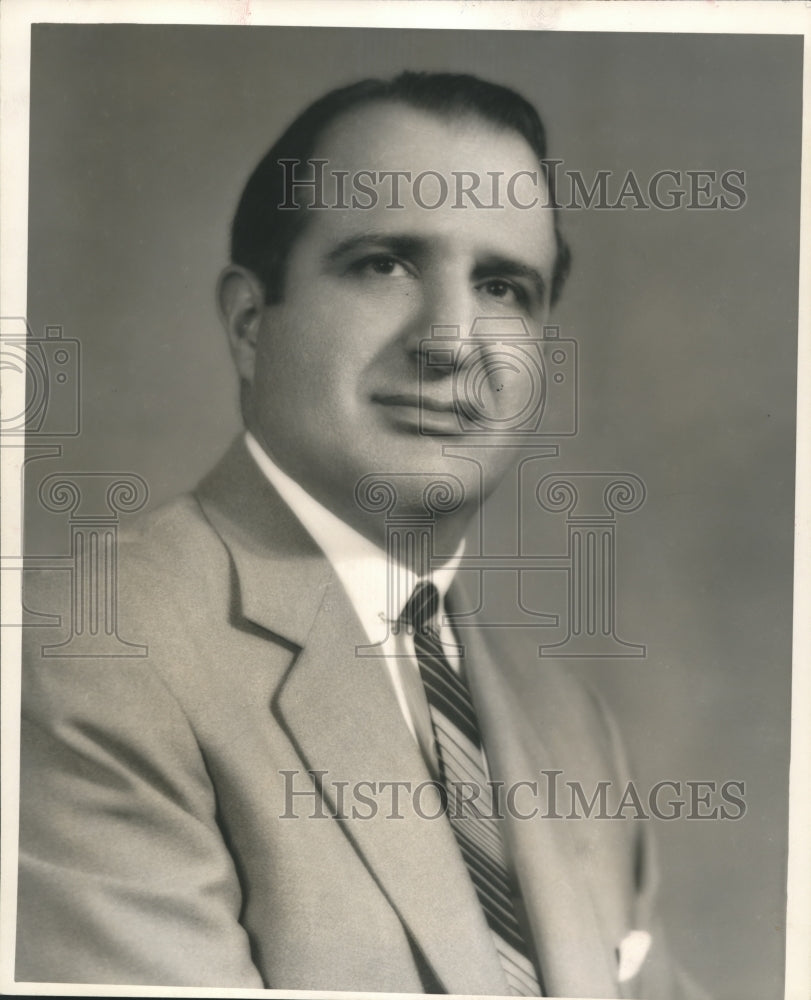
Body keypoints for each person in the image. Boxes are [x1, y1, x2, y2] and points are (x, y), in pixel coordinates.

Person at [17, 72, 704, 998]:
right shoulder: (82, 655)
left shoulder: (571, 729)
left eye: (502, 286)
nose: (453, 342)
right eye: (384, 264)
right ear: (251, 321)